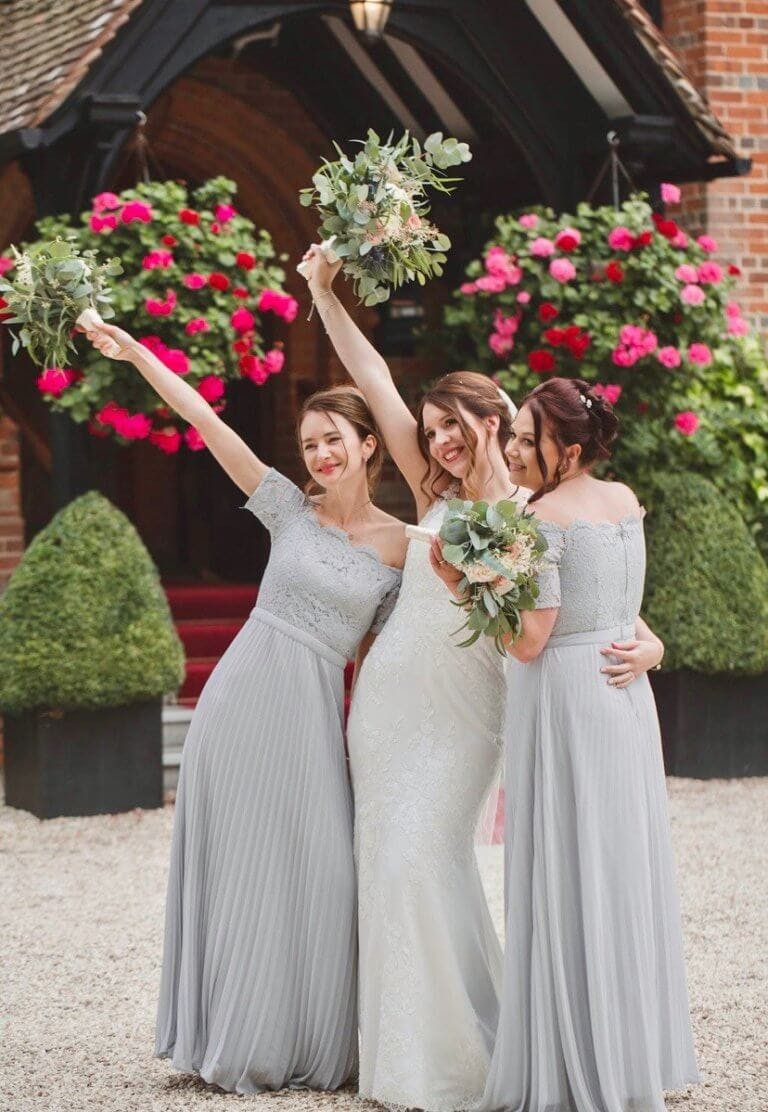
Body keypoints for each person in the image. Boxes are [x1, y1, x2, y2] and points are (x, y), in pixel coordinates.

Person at [299, 250, 664, 1112]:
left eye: (454, 424)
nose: (440, 441)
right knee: (387, 859)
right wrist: (322, 291)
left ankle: (475, 1050)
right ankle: (406, 1060)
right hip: (391, 698)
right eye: (430, 430)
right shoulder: (433, 484)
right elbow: (372, 376)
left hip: (472, 709)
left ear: (494, 418)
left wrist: (648, 643)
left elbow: (594, 599)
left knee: (428, 855)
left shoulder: (535, 503)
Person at [83, 321, 405, 1095]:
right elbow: (205, 421)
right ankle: (235, 1036)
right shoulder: (289, 510)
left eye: (333, 440)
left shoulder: (405, 545)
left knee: (324, 874)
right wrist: (139, 355)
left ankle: (308, 1038)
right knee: (241, 870)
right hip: (241, 704)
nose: (321, 457)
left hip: (316, 718)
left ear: (369, 444)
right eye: (310, 445)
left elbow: (400, 654)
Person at [431, 377, 698, 1112]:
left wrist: (463, 585)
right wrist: (656, 649)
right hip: (624, 695)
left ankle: (573, 1056)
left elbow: (528, 643)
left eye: (527, 439)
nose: (514, 450)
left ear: (569, 449)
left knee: (568, 867)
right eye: (512, 435)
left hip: (566, 701)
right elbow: (625, 611)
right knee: (616, 868)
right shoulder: (623, 502)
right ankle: (623, 1051)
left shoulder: (541, 520)